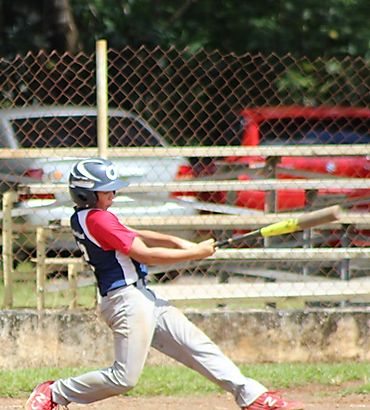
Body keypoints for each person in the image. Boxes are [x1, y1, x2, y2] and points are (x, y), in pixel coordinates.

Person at [25, 158, 304, 410]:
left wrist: (183, 243)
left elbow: (139, 234)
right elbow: (144, 253)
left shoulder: (90, 217)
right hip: (127, 303)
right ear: (87, 193)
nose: (113, 193)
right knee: (124, 378)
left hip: (142, 298)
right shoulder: (98, 219)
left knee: (197, 345)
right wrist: (194, 253)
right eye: (106, 189)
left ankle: (253, 397)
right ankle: (55, 392)